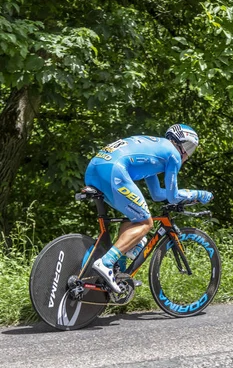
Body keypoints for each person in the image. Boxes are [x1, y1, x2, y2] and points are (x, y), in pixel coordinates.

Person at [84, 124, 213, 292]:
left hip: (94, 168)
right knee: (146, 223)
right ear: (181, 144)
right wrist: (198, 195)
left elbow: (158, 194)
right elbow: (173, 197)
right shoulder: (173, 154)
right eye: (189, 148)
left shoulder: (157, 150)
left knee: (134, 219)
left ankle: (119, 273)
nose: (188, 154)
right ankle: (106, 263)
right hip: (114, 169)